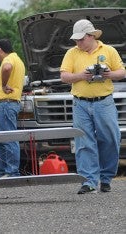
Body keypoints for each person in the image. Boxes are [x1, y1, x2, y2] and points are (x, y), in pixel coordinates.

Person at [60, 19, 125, 194]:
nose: (77, 42)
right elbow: (64, 76)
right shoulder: (71, 53)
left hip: (104, 102)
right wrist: (81, 75)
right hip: (80, 103)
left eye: (81, 39)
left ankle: (106, 178)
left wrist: (108, 74)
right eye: (76, 39)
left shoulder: (109, 50)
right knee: (83, 142)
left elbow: (122, 72)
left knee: (111, 139)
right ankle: (88, 180)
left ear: (91, 36)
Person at [0, 39, 25, 177]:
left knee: (9, 138)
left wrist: (4, 84)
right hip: (5, 105)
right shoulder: (18, 59)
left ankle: (12, 172)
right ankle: (4, 171)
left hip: (6, 103)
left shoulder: (9, 59)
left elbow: (6, 68)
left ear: (0, 50)